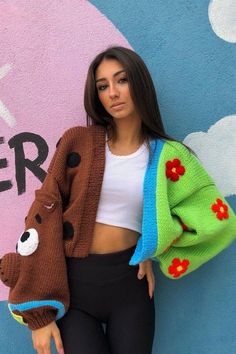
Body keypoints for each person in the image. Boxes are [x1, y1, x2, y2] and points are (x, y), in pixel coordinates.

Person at [0, 46, 235, 354]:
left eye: (121, 80)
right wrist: (39, 317)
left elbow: (214, 219)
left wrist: (153, 246)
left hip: (130, 288)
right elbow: (43, 215)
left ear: (138, 83)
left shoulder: (168, 156)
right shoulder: (78, 142)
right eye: (102, 86)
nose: (113, 92)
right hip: (75, 288)